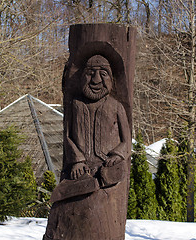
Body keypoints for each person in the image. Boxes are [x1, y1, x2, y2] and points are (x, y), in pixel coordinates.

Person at [43, 55, 131, 240]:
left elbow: (127, 140)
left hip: (107, 169)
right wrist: (77, 160)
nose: (96, 80)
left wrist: (117, 155)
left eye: (103, 74)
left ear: (112, 79)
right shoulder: (75, 105)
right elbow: (67, 136)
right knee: (66, 205)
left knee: (104, 208)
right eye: (90, 73)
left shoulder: (116, 106)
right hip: (79, 169)